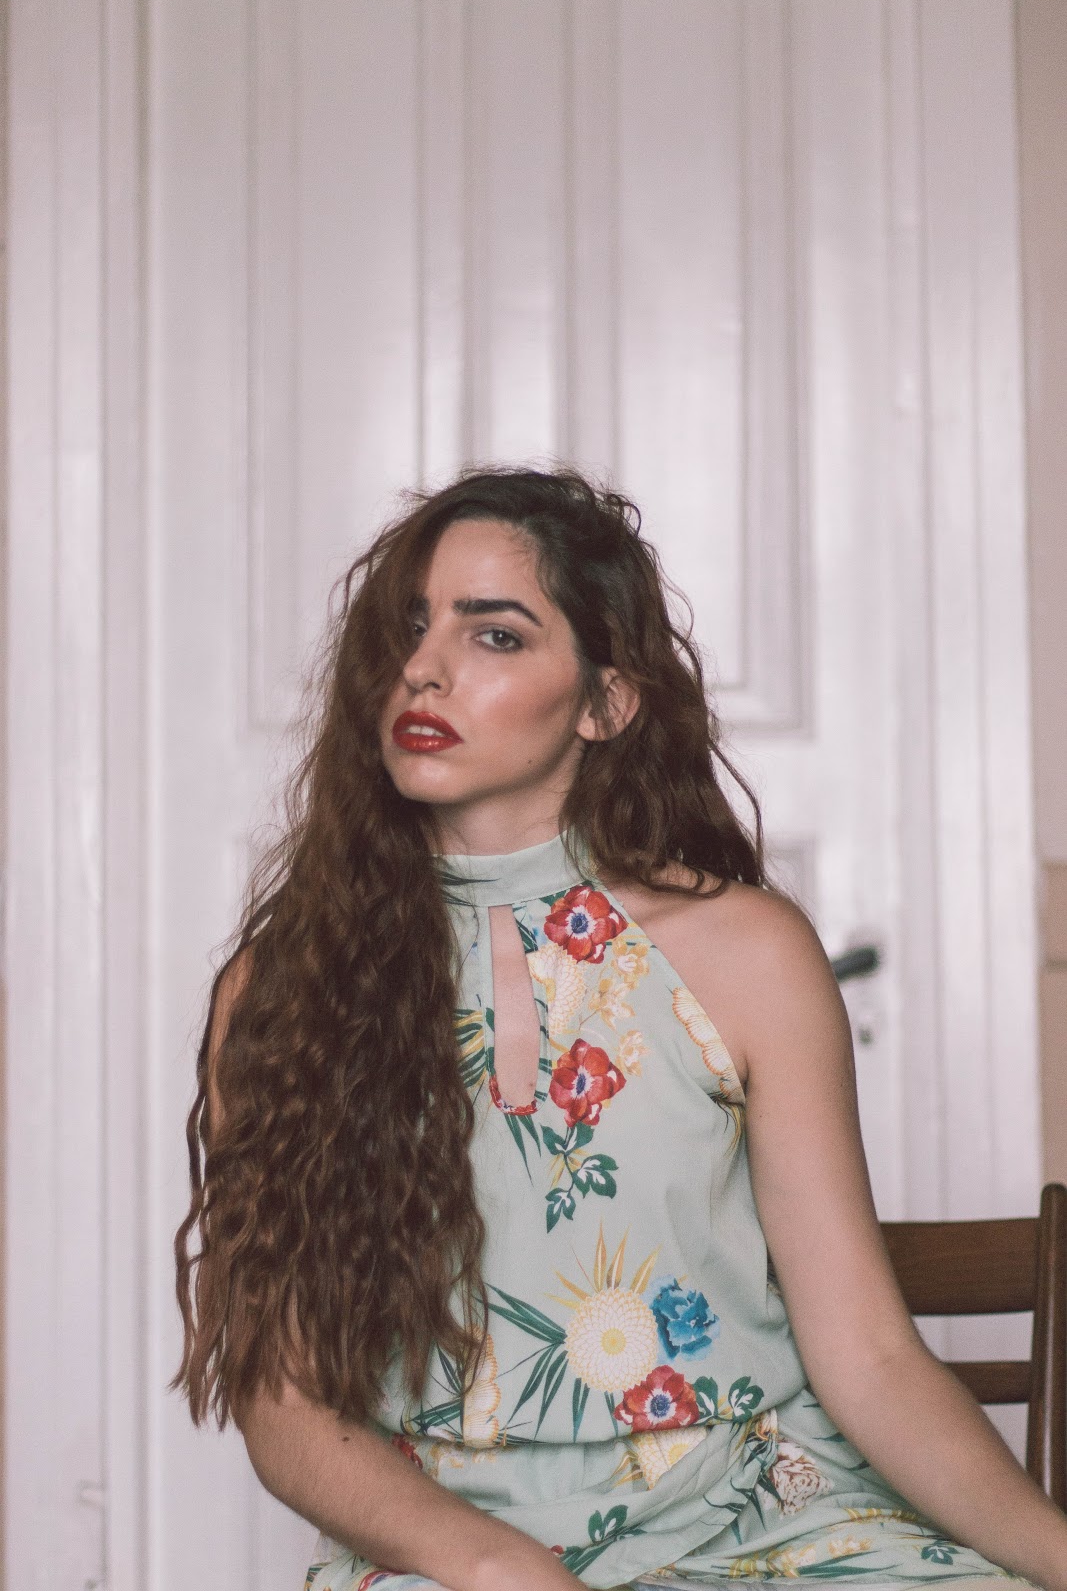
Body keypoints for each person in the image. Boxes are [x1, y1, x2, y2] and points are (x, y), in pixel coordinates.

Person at [171, 464, 1065, 1590]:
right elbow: (283, 1403)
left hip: (772, 1524)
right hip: (453, 1555)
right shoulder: (284, 988)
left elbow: (872, 1359)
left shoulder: (746, 955)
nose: (423, 668)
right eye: (407, 626)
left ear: (605, 703)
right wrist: (501, 1570)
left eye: (495, 635)